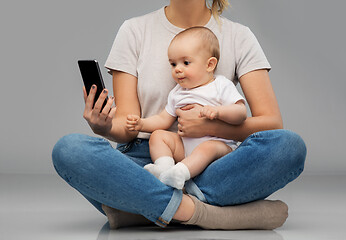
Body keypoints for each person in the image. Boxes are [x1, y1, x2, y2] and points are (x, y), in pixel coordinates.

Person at [52, 0, 306, 230]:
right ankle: (204, 213)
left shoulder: (239, 36)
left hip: (214, 163)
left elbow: (271, 124)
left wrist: (211, 126)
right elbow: (129, 125)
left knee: (289, 147)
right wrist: (104, 127)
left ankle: (145, 208)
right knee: (70, 150)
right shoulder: (134, 31)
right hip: (148, 161)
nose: (178, 70)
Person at [126, 26, 247, 190]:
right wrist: (142, 124)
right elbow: (163, 119)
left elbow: (241, 113)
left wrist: (218, 112)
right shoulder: (177, 93)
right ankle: (165, 169)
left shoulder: (220, 85)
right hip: (185, 150)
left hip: (220, 150)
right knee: (158, 135)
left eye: (186, 62)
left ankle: (180, 173)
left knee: (208, 147)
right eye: (173, 64)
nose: (177, 69)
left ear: (210, 65)